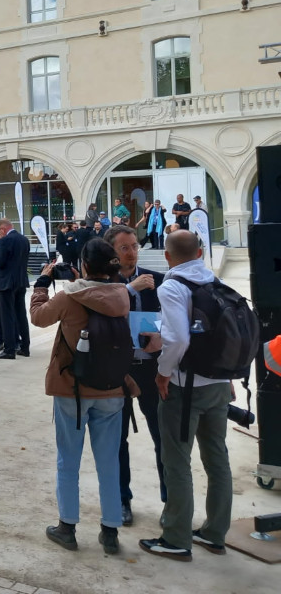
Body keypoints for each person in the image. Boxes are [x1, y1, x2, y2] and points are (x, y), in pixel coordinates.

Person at [30, 237, 131, 555]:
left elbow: (39, 316)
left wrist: (42, 284)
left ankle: (67, 527)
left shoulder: (71, 296)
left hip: (72, 389)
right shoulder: (122, 295)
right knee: (109, 461)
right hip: (112, 388)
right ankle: (111, 530)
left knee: (68, 460)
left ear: (84, 265)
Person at [140, 231, 231, 561]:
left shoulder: (173, 286)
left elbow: (177, 339)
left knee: (177, 461)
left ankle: (177, 538)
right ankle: (215, 533)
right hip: (218, 384)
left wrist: (163, 372)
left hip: (185, 387)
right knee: (217, 458)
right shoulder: (214, 280)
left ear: (167, 257)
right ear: (201, 251)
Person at [105, 225, 166, 526]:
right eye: (124, 248)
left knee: (162, 436)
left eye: (134, 246)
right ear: (112, 254)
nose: (131, 253)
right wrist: (130, 290)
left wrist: (161, 338)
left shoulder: (160, 282)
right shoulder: (104, 285)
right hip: (118, 372)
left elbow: (177, 323)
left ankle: (171, 501)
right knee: (118, 440)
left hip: (152, 371)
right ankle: (122, 499)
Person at [0, 218, 31, 359]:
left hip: (7, 283)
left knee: (7, 315)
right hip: (21, 281)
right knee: (21, 315)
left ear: (2, 229)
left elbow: (0, 262)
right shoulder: (24, 240)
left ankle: (9, 350)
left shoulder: (4, 241)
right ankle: (25, 347)